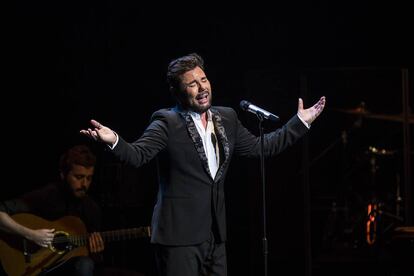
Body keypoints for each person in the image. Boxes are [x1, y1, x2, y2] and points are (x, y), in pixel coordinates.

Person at [80, 53, 326, 276]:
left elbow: (261, 147)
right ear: (178, 91)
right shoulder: (167, 122)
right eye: (192, 84)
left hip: (215, 236)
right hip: (178, 239)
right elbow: (137, 155)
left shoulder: (227, 117)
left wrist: (299, 123)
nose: (201, 88)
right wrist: (113, 140)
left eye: (204, 80)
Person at [0, 145, 104, 276]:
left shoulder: (91, 209)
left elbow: (94, 257)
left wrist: (97, 253)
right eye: (78, 177)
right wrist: (31, 234)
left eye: (89, 178)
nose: (84, 184)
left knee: (86, 264)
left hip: (68, 268)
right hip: (36, 267)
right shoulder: (47, 196)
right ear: (63, 174)